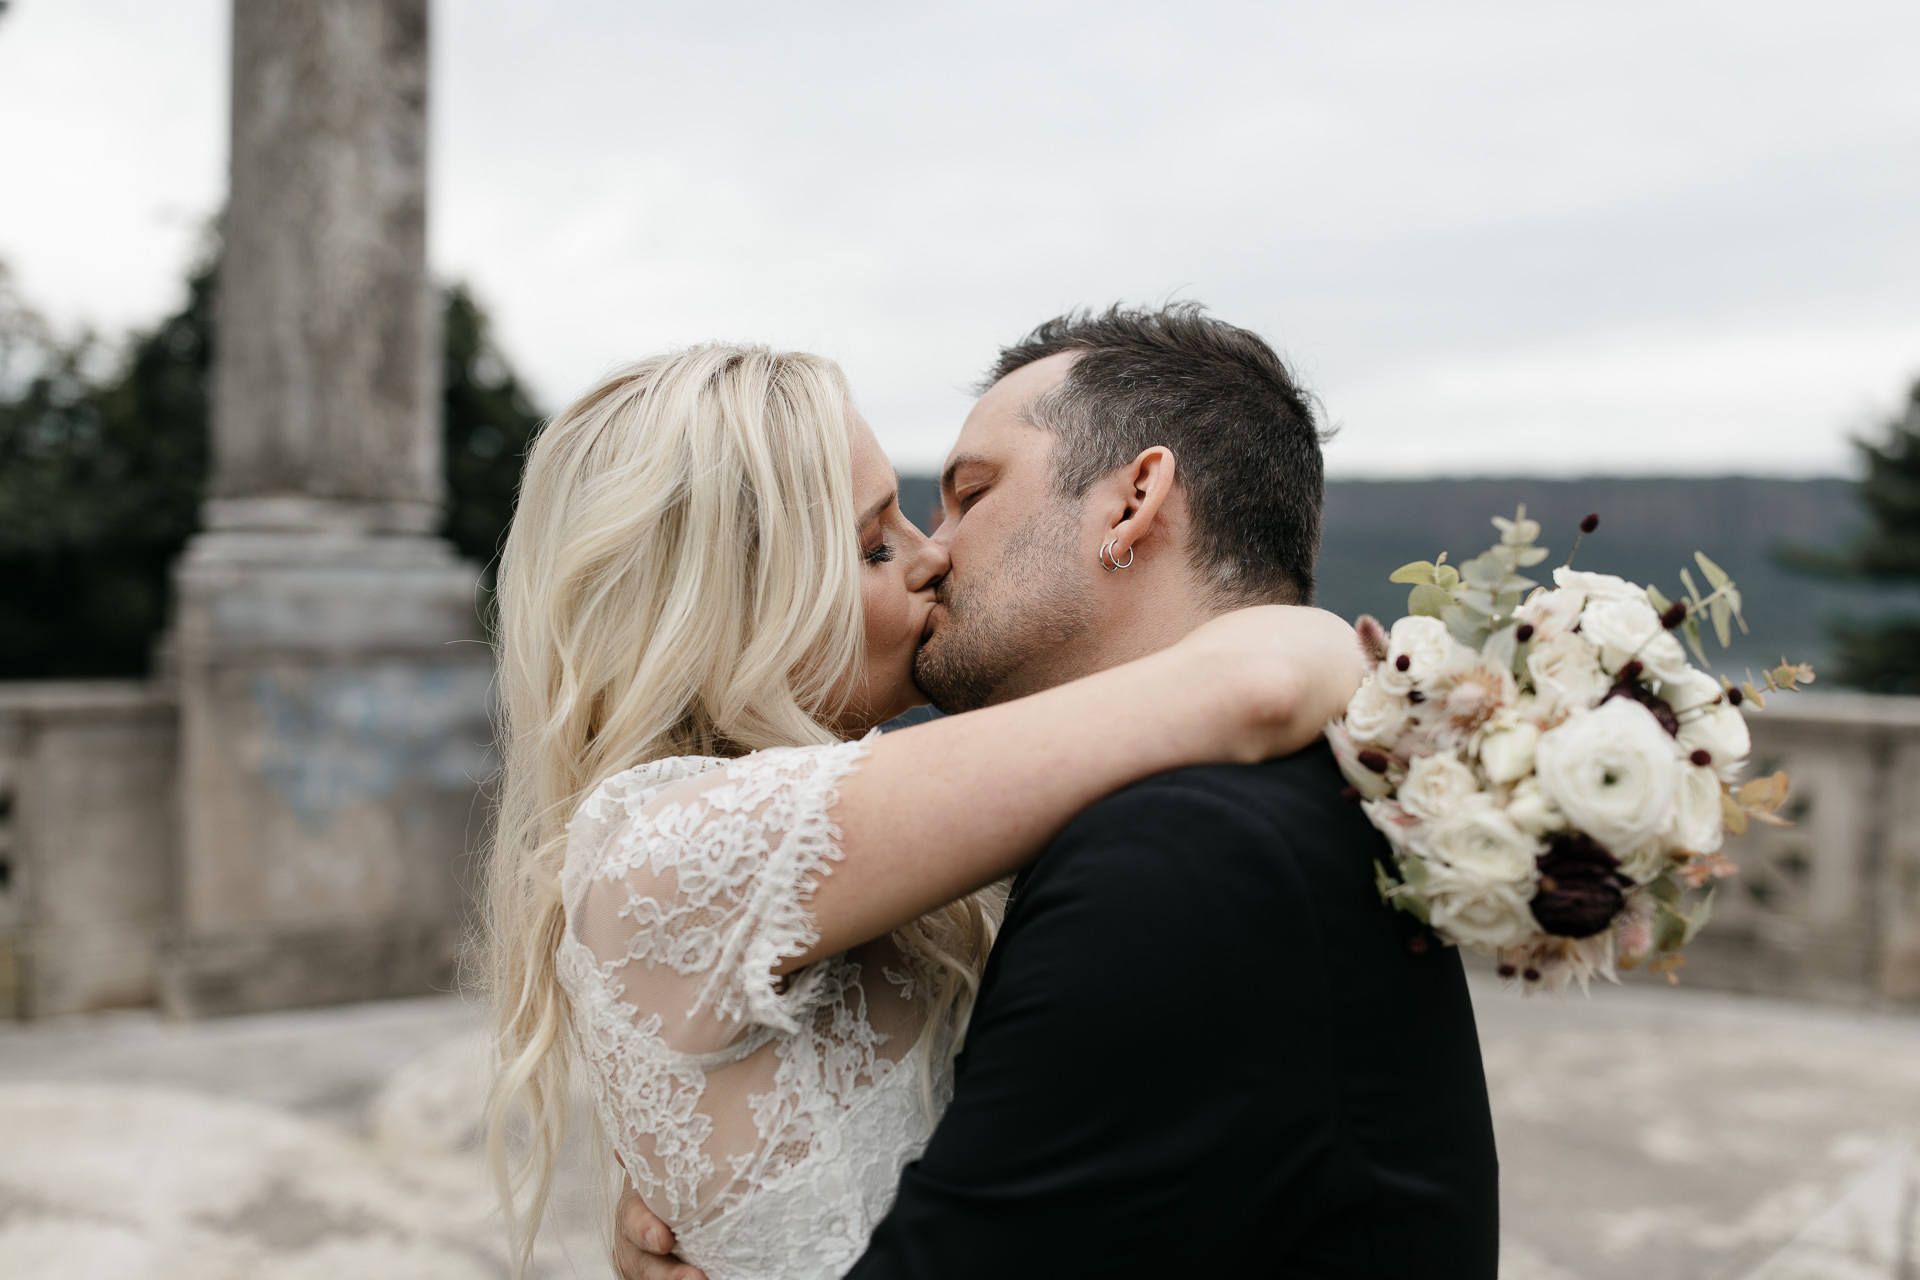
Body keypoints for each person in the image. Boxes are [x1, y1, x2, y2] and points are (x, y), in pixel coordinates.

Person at [612, 307, 1501, 1280]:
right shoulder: (1258, 796)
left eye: (970, 495)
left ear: (1131, 502)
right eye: (889, 536)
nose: (933, 553)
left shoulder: (1180, 853)